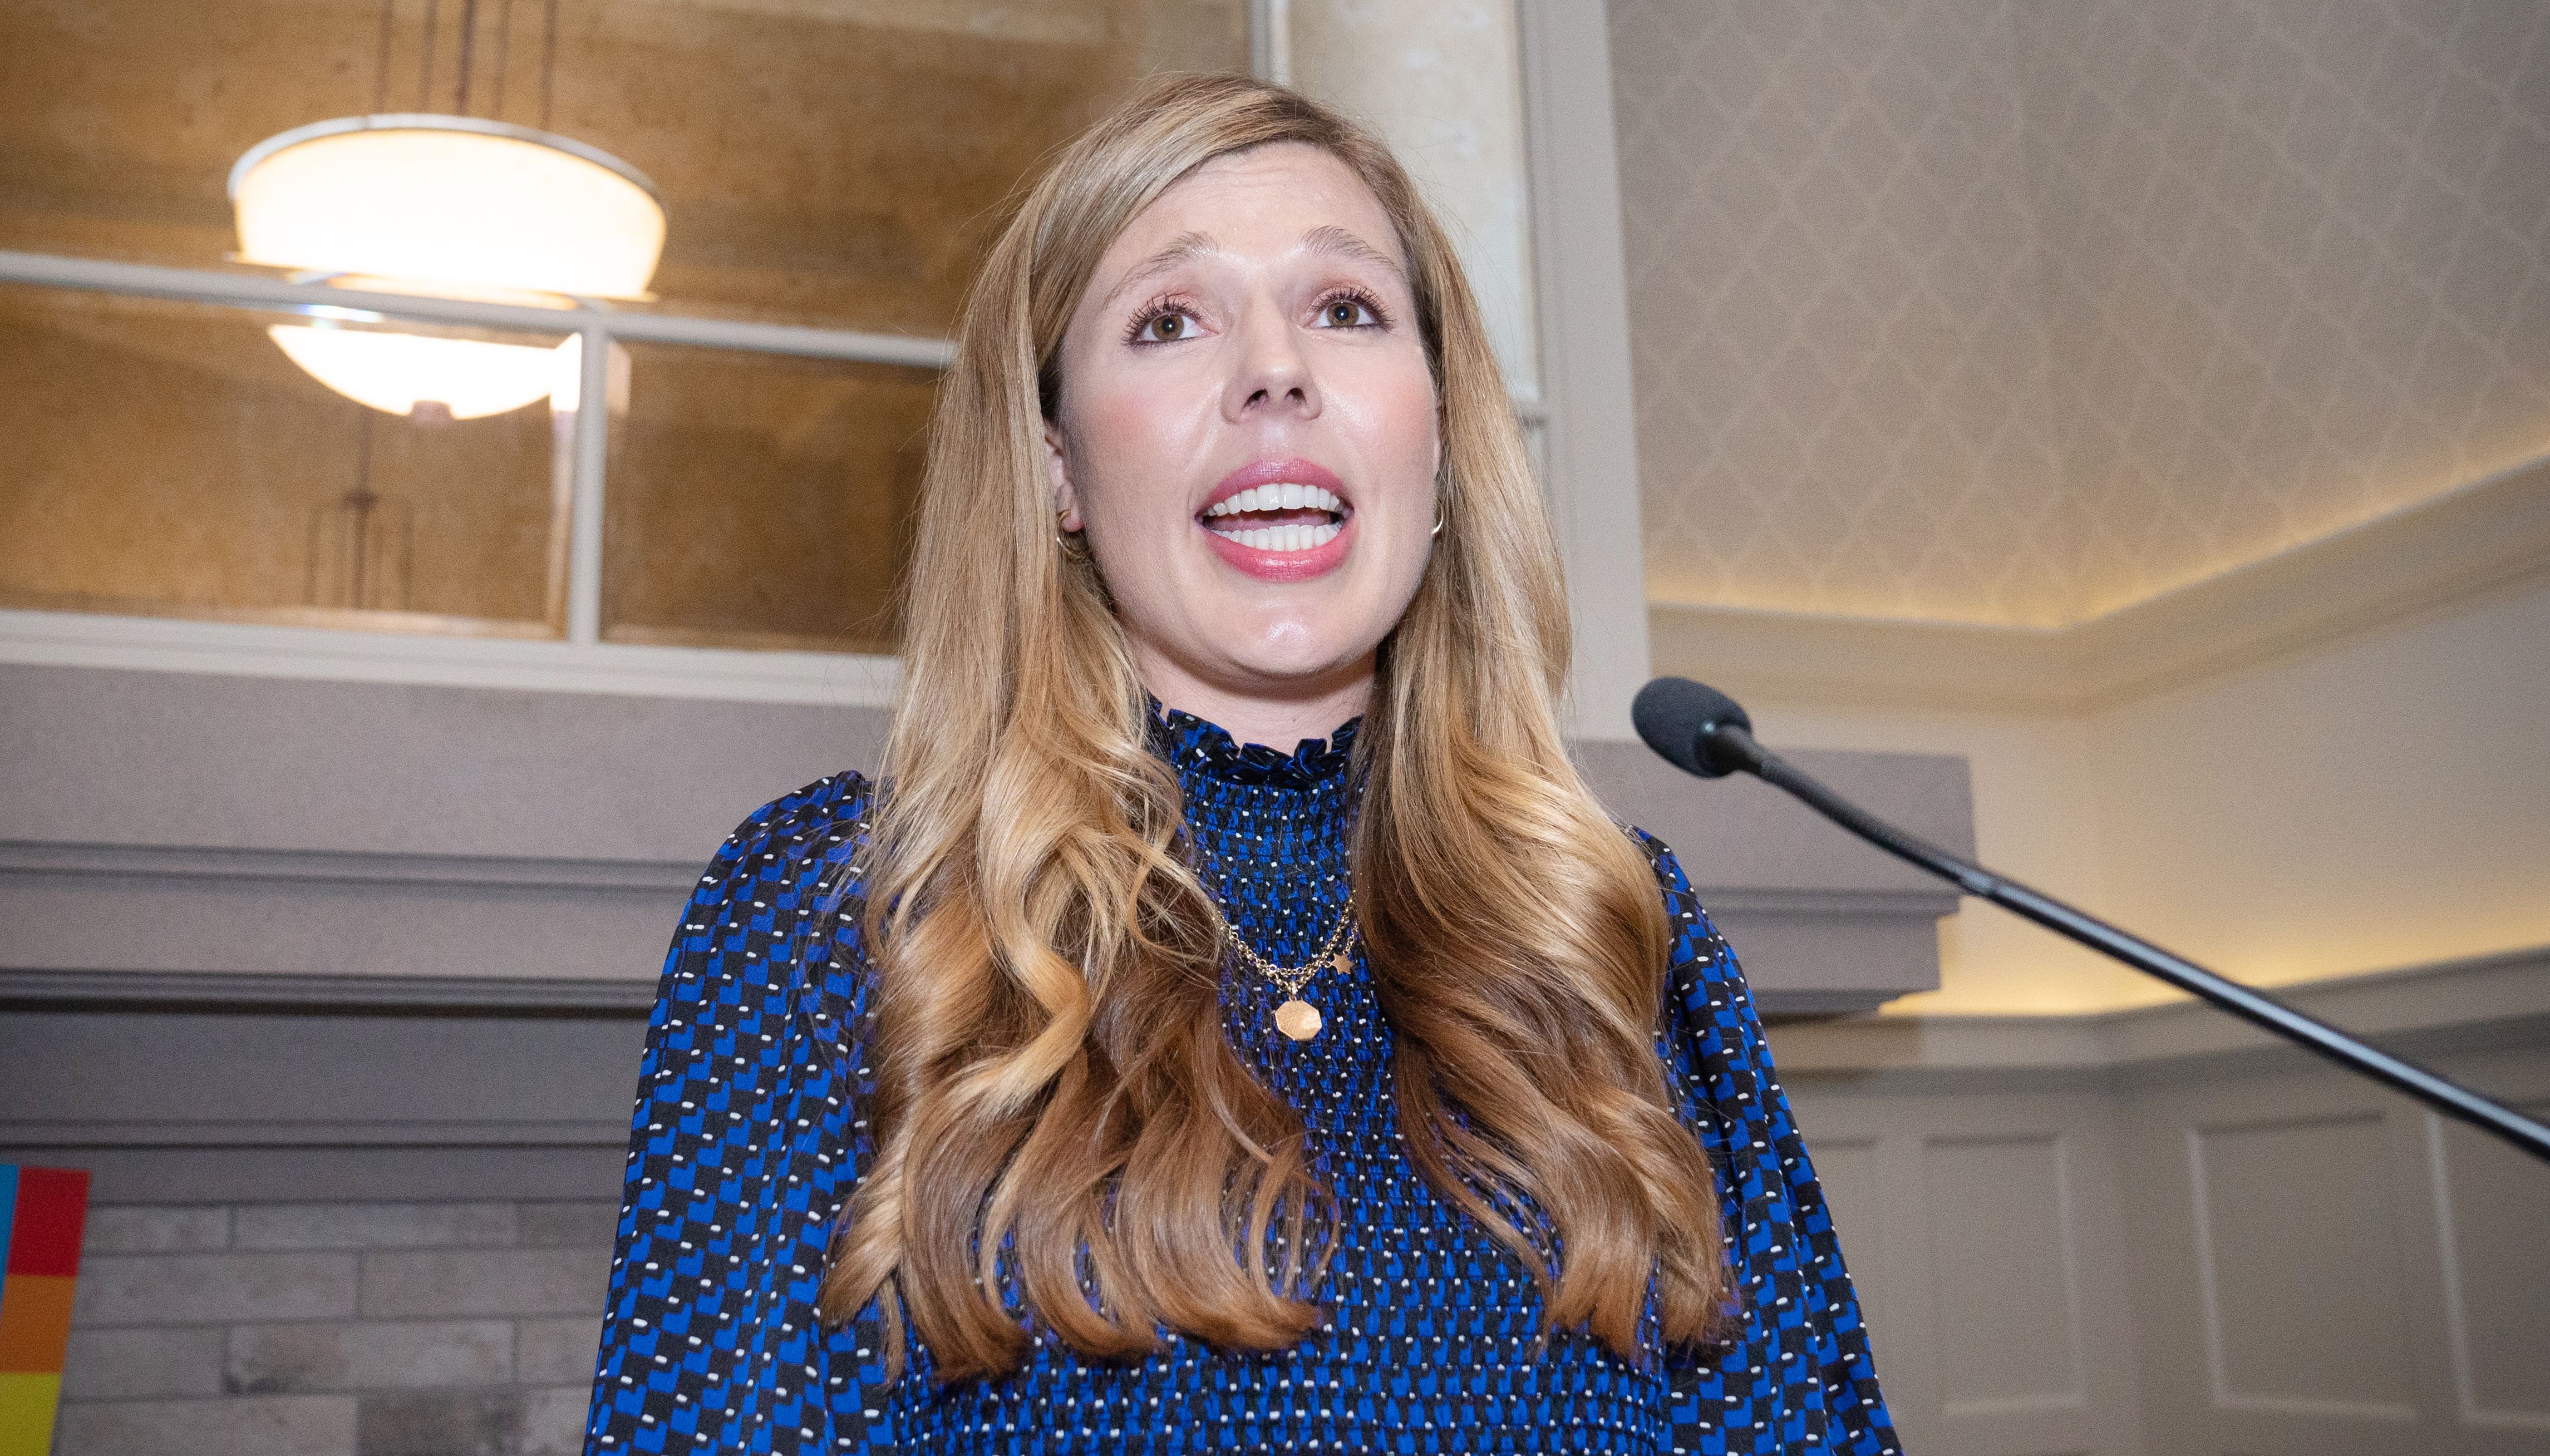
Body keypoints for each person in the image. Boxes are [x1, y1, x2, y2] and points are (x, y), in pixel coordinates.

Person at [583, 73, 1897, 1455]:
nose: (1277, 368)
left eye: (1344, 310)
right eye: (1168, 320)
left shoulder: (1619, 926)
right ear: (1056, 473)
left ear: (1440, 446)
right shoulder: (841, 909)